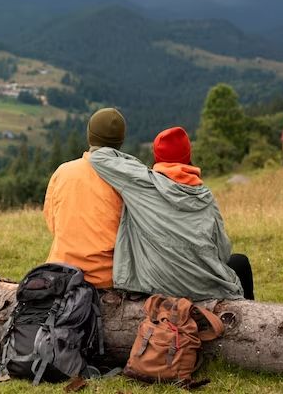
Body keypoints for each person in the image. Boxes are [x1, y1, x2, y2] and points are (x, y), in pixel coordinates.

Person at [89, 126, 249, 301]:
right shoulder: (205, 197)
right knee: (240, 262)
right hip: (203, 289)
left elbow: (99, 157)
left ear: (157, 157)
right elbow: (223, 253)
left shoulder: (142, 184)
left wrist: (142, 168)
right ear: (188, 156)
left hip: (155, 286)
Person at [42, 108, 126, 289]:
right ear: (120, 141)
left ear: (89, 135)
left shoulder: (63, 172)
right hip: (107, 278)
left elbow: (52, 222)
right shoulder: (127, 178)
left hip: (59, 273)